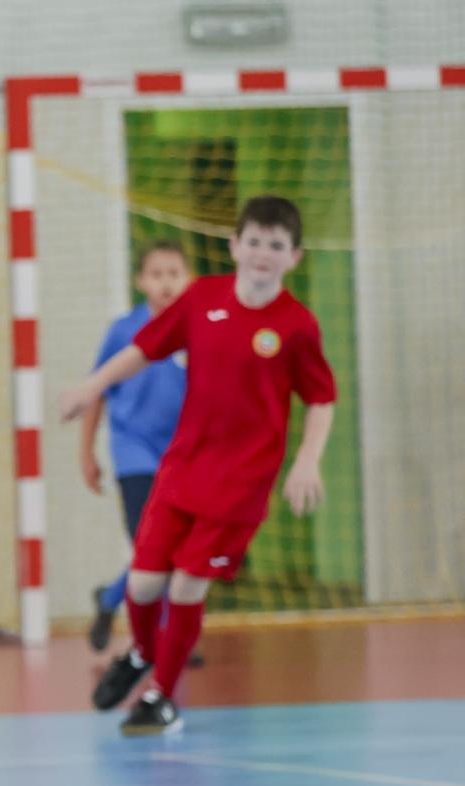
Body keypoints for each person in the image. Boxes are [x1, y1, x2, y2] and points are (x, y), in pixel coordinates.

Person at [60, 196, 335, 736]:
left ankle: (162, 696)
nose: (262, 253)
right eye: (253, 241)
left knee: (186, 588)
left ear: (293, 257)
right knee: (142, 584)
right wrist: (92, 386)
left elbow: (321, 398)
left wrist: (308, 459)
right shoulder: (202, 300)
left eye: (275, 246)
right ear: (234, 246)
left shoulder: (296, 326)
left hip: (240, 485)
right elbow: (144, 349)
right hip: (181, 470)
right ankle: (142, 654)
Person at [79, 241, 191, 652]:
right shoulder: (124, 331)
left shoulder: (198, 330)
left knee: (182, 551)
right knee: (153, 547)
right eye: (157, 274)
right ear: (141, 281)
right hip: (134, 455)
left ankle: (110, 598)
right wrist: (86, 453)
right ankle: (167, 637)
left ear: (188, 280)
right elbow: (97, 391)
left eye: (174, 273)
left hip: (182, 457)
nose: (166, 283)